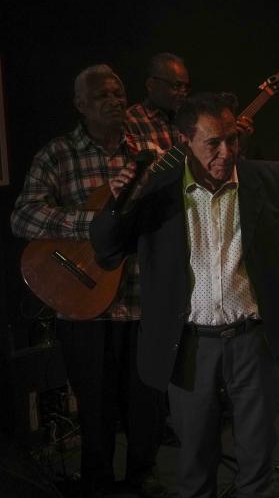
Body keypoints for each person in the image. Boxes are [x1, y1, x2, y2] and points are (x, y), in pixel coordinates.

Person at [90, 92, 279, 497]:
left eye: (232, 139)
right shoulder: (156, 191)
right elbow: (108, 250)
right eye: (213, 143)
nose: (226, 151)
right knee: (194, 462)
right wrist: (116, 205)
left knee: (257, 458)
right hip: (188, 346)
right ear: (185, 140)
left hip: (251, 341)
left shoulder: (265, 178)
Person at [11, 65, 165, 498]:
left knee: (145, 399)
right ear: (80, 105)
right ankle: (96, 481)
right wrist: (92, 226)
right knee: (94, 405)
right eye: (102, 96)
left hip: (139, 297)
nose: (115, 100)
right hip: (80, 300)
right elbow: (23, 215)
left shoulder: (148, 152)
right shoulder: (57, 155)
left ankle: (143, 475)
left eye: (119, 92)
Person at [125, 52, 254, 155]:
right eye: (177, 86)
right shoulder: (130, 121)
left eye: (186, 87)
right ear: (151, 85)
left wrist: (237, 145)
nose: (183, 92)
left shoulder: (190, 118)